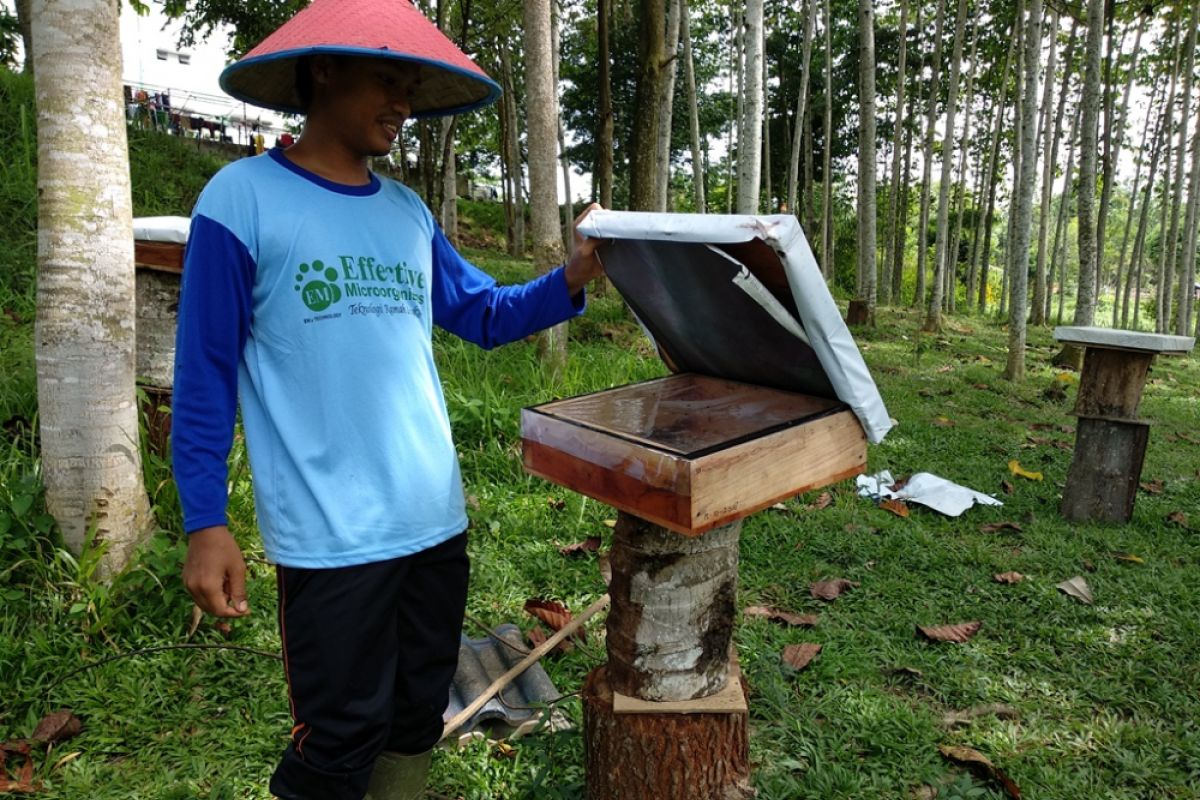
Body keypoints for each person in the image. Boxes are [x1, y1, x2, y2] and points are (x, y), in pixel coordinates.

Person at [170, 1, 604, 798]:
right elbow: (203, 371)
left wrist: (572, 277)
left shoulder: (406, 212)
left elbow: (482, 313)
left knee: (412, 716)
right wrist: (206, 520)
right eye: (386, 80)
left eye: (410, 85)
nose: (403, 103)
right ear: (324, 71)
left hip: (432, 520)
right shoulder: (242, 200)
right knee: (339, 734)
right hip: (331, 535)